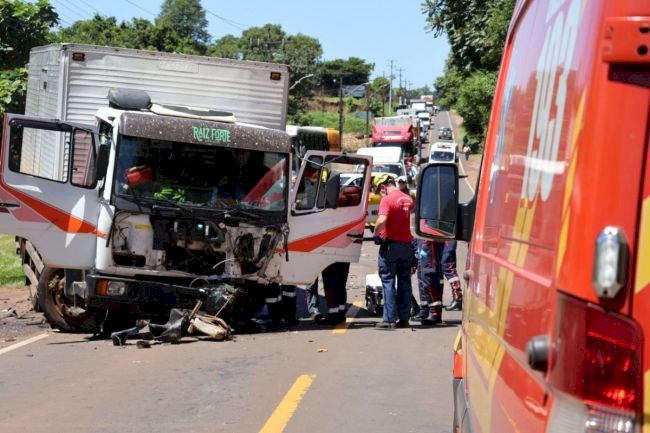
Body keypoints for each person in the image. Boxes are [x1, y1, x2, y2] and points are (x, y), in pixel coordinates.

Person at [373, 173, 415, 330]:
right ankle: (404, 319)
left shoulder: (387, 200)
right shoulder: (407, 198)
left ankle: (390, 319)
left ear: (383, 186)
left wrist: (376, 234)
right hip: (407, 246)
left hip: (391, 246)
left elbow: (382, 220)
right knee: (404, 281)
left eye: (379, 190)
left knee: (388, 281)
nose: (379, 194)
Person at [411, 238, 444, 324]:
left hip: (428, 241)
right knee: (422, 281)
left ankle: (435, 313)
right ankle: (424, 309)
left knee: (429, 279)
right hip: (419, 240)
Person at [440, 240, 463, 311]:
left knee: (448, 266)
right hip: (441, 238)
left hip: (447, 237)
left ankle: (458, 298)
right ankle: (437, 300)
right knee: (441, 266)